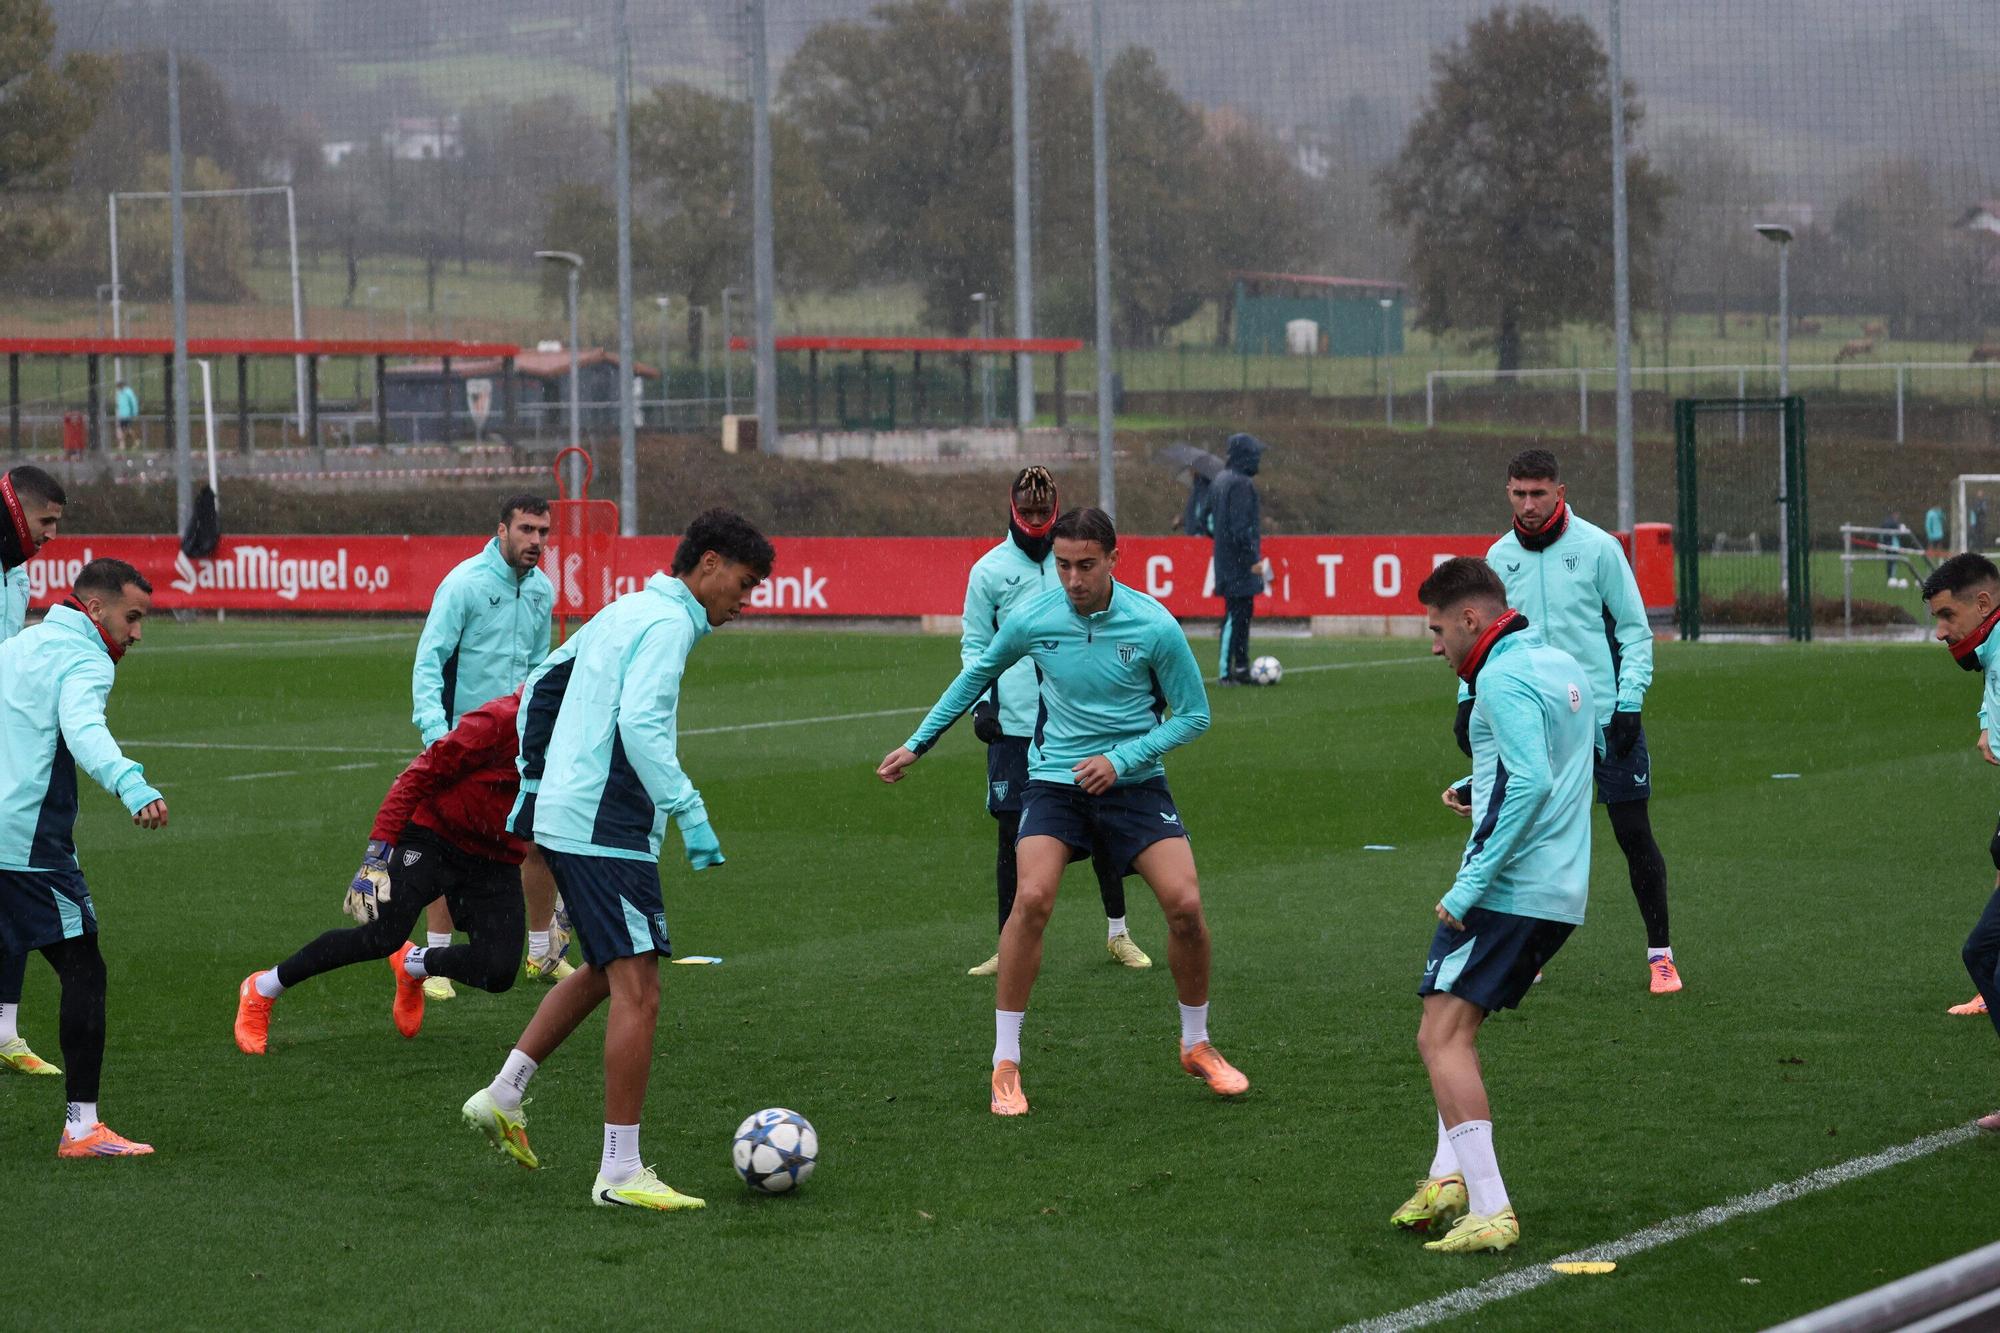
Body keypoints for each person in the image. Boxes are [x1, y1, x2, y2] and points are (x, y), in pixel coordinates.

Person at [878, 507, 1246, 1117]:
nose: (1072, 579)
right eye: (1063, 565)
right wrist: (919, 742)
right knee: (1033, 899)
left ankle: (1197, 1043)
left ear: (1113, 559)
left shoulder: (1154, 624)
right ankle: (1005, 1063)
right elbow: (976, 676)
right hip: (1052, 780)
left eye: (1086, 565)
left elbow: (1194, 715)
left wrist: (1123, 759)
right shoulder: (1033, 618)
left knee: (1184, 907)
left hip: (1134, 783)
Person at [460, 509, 773, 1212]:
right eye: (744, 584)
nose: (745, 601)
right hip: (607, 825)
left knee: (607, 968)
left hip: (576, 816)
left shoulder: (629, 608)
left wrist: (537, 791)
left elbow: (544, 680)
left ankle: (503, 1091)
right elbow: (638, 723)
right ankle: (620, 1170)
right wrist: (689, 809)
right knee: (641, 987)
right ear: (710, 563)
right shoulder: (666, 624)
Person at [1393, 557, 1595, 1254]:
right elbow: (1566, 760)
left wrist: (1469, 886)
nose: (1434, 643)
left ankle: (1492, 1205)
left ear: (1472, 620)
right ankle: (1448, 1176)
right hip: (1559, 885)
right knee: (1450, 1029)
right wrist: (1475, 784)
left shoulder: (1500, 677)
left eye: (1438, 627)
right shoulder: (1556, 662)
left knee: (1439, 1036)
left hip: (1511, 887)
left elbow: (1532, 781)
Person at [1472, 449, 1677, 993]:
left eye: (1539, 493)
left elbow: (1634, 631)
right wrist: (1468, 697)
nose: (1529, 504)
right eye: (1519, 493)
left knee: (1634, 835)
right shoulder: (1498, 556)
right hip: (1535, 723)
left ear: (1560, 492)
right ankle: (1527, 954)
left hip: (1606, 719)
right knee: (1528, 838)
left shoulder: (1599, 549)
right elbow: (1485, 639)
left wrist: (1629, 701)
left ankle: (1660, 955)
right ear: (1508, 492)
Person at [233, 689, 536, 1054]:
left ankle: (413, 964)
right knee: (381, 936)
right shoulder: (500, 720)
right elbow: (414, 778)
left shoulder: (586, 732)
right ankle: (263, 987)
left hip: (495, 855)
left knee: (499, 971)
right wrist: (375, 856)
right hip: (435, 836)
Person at [0, 558, 168, 1158]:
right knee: (84, 972)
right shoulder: (86, 657)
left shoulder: (23, 644)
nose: (137, 633)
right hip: (28, 844)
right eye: (132, 617)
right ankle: (82, 1128)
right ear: (95, 610)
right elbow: (83, 728)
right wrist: (133, 784)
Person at [962, 466, 1150, 976]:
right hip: (1014, 725)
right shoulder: (988, 572)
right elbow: (976, 646)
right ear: (1013, 508)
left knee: (1105, 828)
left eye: (1046, 513)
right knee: (1010, 838)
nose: (1038, 521)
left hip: (1078, 726)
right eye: (1030, 513)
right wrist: (982, 705)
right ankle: (1008, 944)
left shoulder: (1078, 563)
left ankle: (1119, 932)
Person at [411, 494, 558, 999]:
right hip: (464, 741)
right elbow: (429, 658)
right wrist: (437, 734)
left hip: (518, 743)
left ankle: (541, 952)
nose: (536, 541)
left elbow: (539, 669)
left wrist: (540, 729)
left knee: (537, 839)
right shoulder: (464, 584)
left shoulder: (542, 591)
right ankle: (433, 960)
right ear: (501, 530)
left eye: (543, 531)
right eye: (526, 530)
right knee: (450, 840)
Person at [0, 465, 67, 1078]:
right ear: (19, 510)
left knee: (8, 882)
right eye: (46, 520)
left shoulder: (15, 569)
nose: (50, 535)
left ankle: (4, 1033)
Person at [1923, 555, 2000, 1027]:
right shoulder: (1992, 648)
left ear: (1984, 602)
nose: (1939, 632)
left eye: (1947, 615)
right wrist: (1987, 722)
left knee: (1983, 954)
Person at [1208, 433, 1268, 685]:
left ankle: (1241, 667)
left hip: (1227, 559)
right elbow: (1241, 528)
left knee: (1241, 613)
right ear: (1246, 456)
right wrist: (1252, 557)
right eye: (1256, 455)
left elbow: (1211, 523)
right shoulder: (1241, 484)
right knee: (1236, 615)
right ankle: (1226, 670)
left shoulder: (1220, 479)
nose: (1258, 460)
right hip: (1239, 564)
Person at [114, 381, 138, 451]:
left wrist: (134, 413)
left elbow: (133, 402)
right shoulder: (120, 393)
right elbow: (120, 404)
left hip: (127, 414)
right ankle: (134, 442)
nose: (118, 389)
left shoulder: (128, 392)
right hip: (122, 415)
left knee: (126, 429)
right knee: (125, 429)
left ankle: (123, 444)